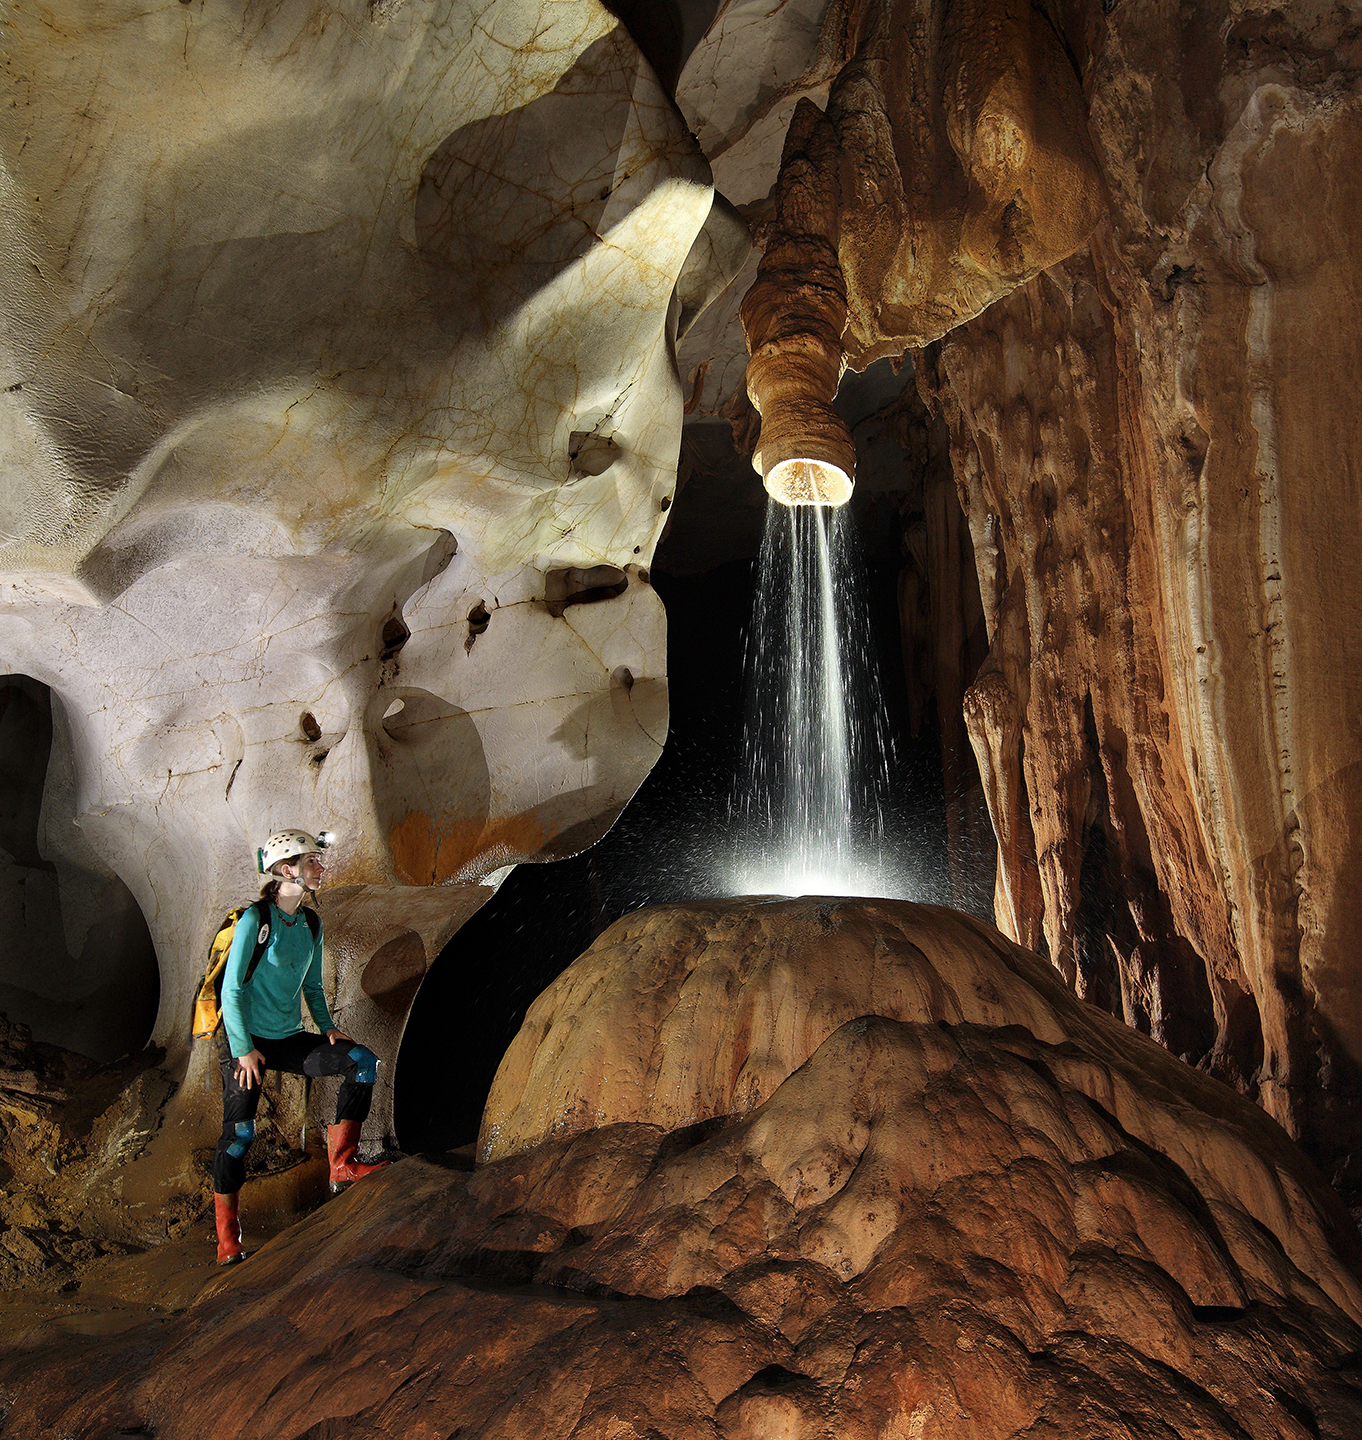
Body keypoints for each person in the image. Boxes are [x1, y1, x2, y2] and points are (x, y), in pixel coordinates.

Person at [212, 828, 386, 1265]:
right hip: (245, 1039)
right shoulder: (257, 919)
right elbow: (230, 991)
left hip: (287, 1038)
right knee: (239, 1136)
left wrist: (328, 1028)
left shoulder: (310, 922)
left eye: (318, 861)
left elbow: (311, 984)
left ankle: (342, 1165)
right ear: (287, 870)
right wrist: (243, 1049)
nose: (320, 868)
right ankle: (227, 1239)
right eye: (312, 862)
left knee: (361, 1061)